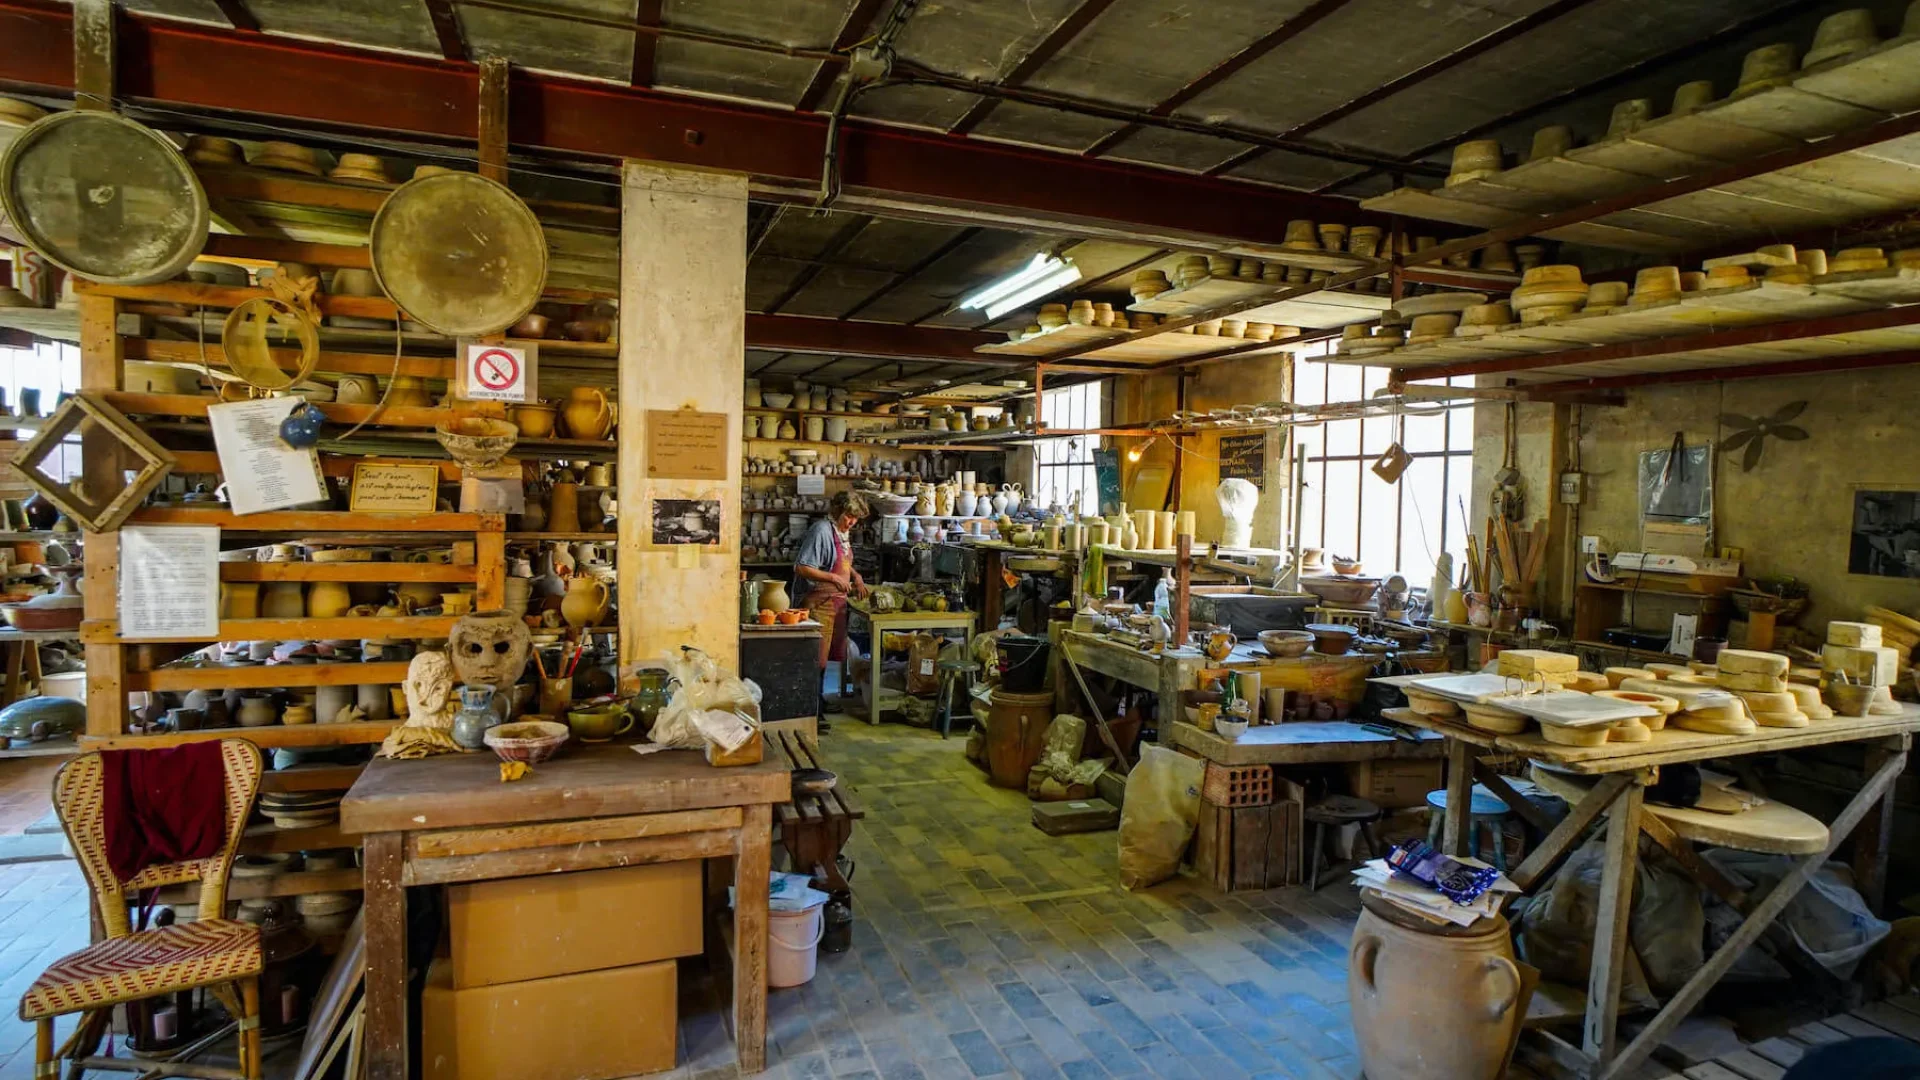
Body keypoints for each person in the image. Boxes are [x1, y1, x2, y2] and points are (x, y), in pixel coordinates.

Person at [792, 491, 870, 713]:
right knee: (817, 658)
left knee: (827, 658)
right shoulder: (821, 531)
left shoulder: (841, 532)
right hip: (819, 602)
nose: (851, 523)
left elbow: (840, 561)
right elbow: (801, 567)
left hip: (836, 603)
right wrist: (834, 578)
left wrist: (855, 575)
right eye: (848, 517)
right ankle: (811, 709)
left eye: (855, 519)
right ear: (837, 511)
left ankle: (819, 703)